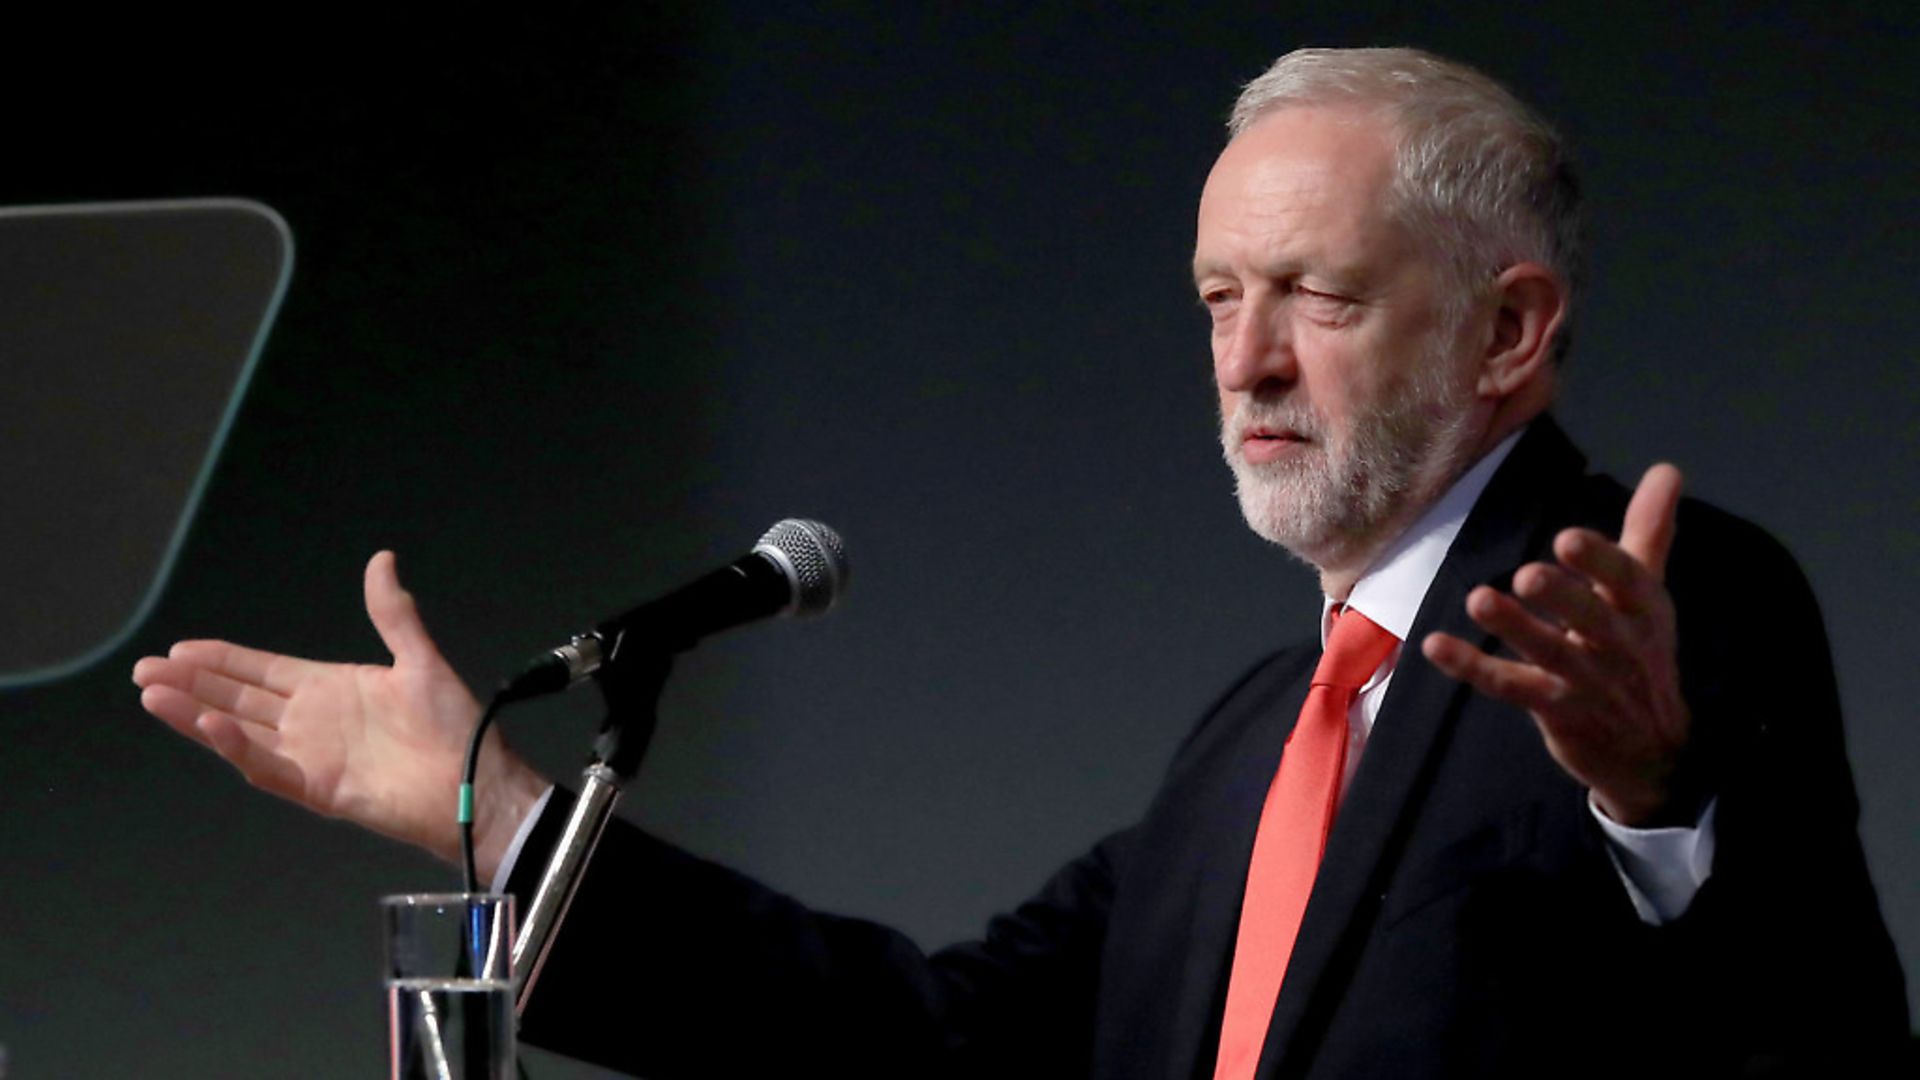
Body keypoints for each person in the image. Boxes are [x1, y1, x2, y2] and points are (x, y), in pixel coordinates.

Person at [134, 47, 1907, 1078]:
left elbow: (1823, 1043)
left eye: (1320, 296)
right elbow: (925, 1050)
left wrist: (1659, 807)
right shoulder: (1252, 742)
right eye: (1221, 298)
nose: (1246, 360)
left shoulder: (1659, 619)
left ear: (1512, 330)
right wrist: (505, 813)